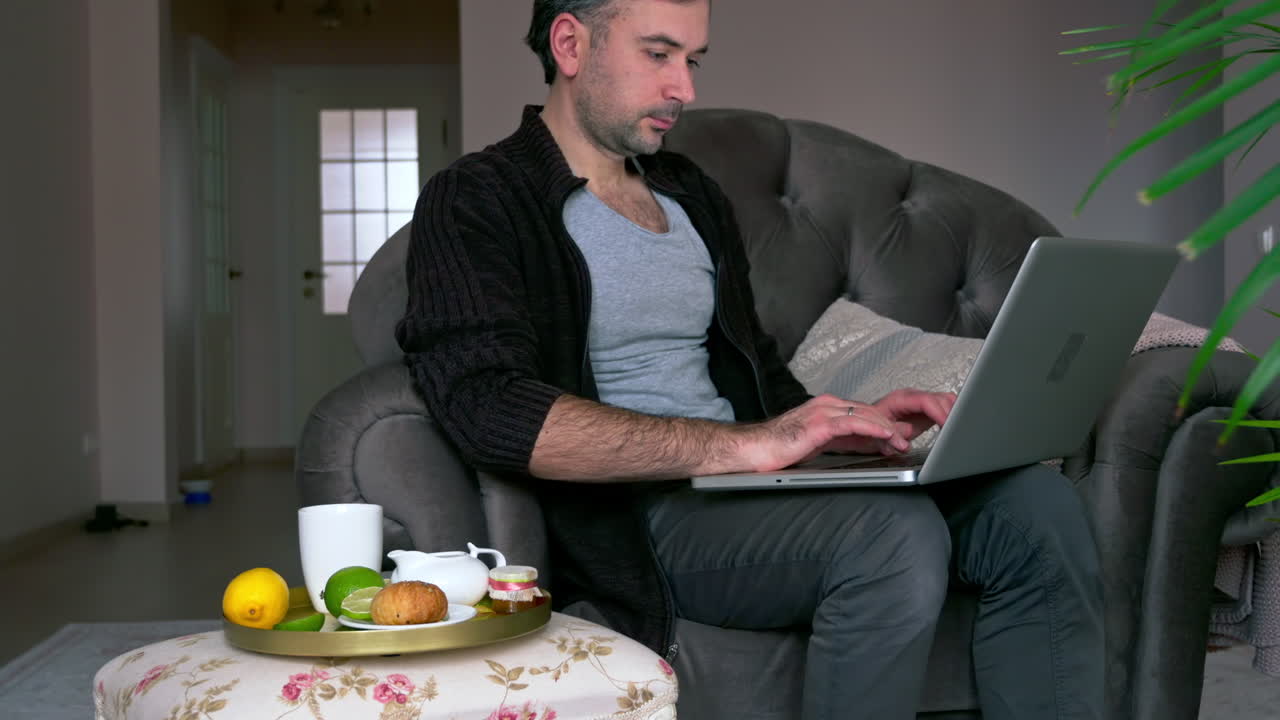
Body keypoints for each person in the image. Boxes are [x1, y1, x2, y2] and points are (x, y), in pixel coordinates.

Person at [395, 1, 1103, 718]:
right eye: (658, 54)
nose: (684, 88)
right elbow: (489, 408)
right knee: (892, 535)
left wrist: (844, 426)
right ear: (571, 45)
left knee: (1035, 507)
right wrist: (746, 445)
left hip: (750, 486)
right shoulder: (478, 197)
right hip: (641, 514)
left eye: (692, 60)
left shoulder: (689, 191)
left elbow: (754, 371)